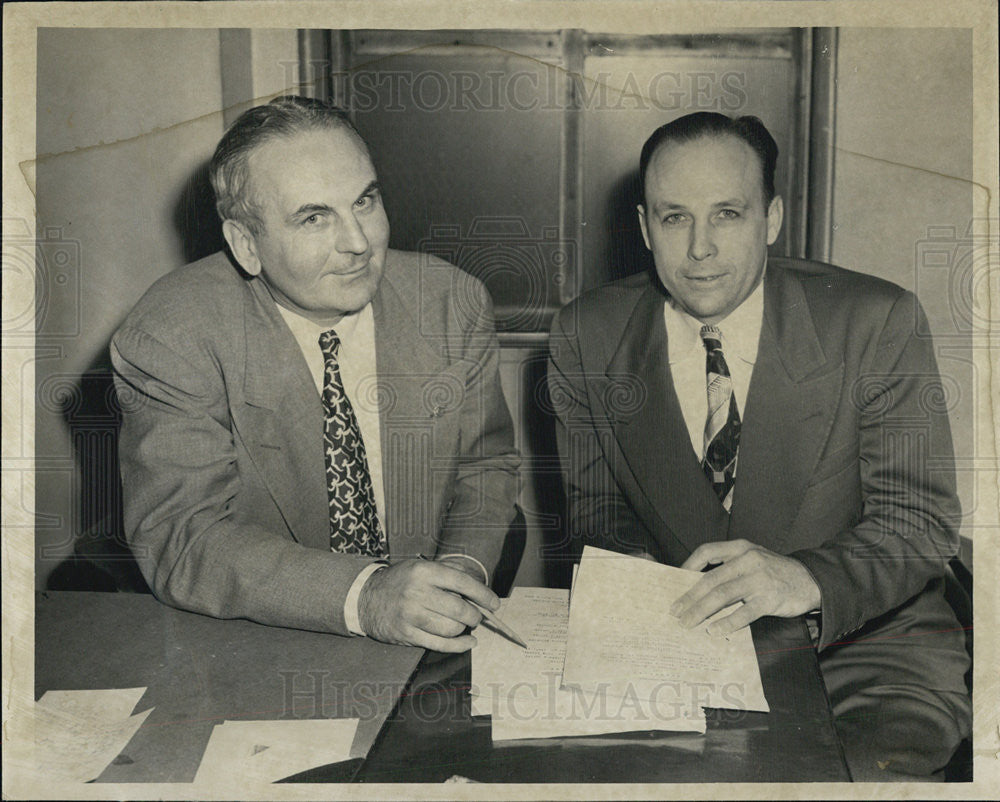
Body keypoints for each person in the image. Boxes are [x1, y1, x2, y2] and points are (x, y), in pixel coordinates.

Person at [547, 111, 970, 780]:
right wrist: (646, 607)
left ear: (771, 219)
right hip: (683, 657)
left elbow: (920, 524)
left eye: (728, 215)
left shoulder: (874, 322)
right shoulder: (585, 336)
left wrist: (804, 578)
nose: (700, 250)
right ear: (643, 227)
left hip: (864, 658)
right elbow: (596, 511)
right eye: (674, 217)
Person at [111, 96, 520, 653]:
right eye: (313, 217)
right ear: (246, 244)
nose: (358, 243)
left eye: (365, 201)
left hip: (422, 650)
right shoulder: (172, 334)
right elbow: (182, 539)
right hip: (260, 644)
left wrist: (457, 572)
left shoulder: (450, 302)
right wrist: (369, 596)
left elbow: (485, 464)